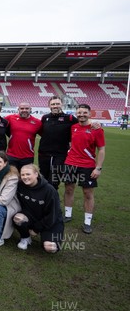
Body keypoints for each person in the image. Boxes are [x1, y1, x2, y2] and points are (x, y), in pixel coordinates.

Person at [63, 104, 105, 234]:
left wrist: (98, 168)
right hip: (70, 163)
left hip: (87, 166)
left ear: (89, 114)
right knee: (69, 189)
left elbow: (101, 149)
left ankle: (87, 222)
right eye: (79, 112)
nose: (81, 115)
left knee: (87, 193)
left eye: (84, 112)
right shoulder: (73, 127)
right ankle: (67, 215)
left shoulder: (96, 129)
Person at [13, 164, 64, 252]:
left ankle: (48, 238)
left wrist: (36, 229)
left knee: (50, 248)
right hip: (32, 216)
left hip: (50, 221)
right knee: (17, 218)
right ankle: (25, 237)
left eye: (28, 174)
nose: (25, 177)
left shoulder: (49, 190)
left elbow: (52, 214)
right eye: (23, 175)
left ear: (36, 174)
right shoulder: (20, 185)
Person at [5, 102, 42, 171]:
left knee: (26, 179)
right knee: (11, 178)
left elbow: (45, 136)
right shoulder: (10, 118)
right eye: (22, 108)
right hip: (11, 155)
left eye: (27, 108)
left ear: (30, 109)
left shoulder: (37, 122)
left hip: (28, 157)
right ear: (18, 109)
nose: (24, 110)